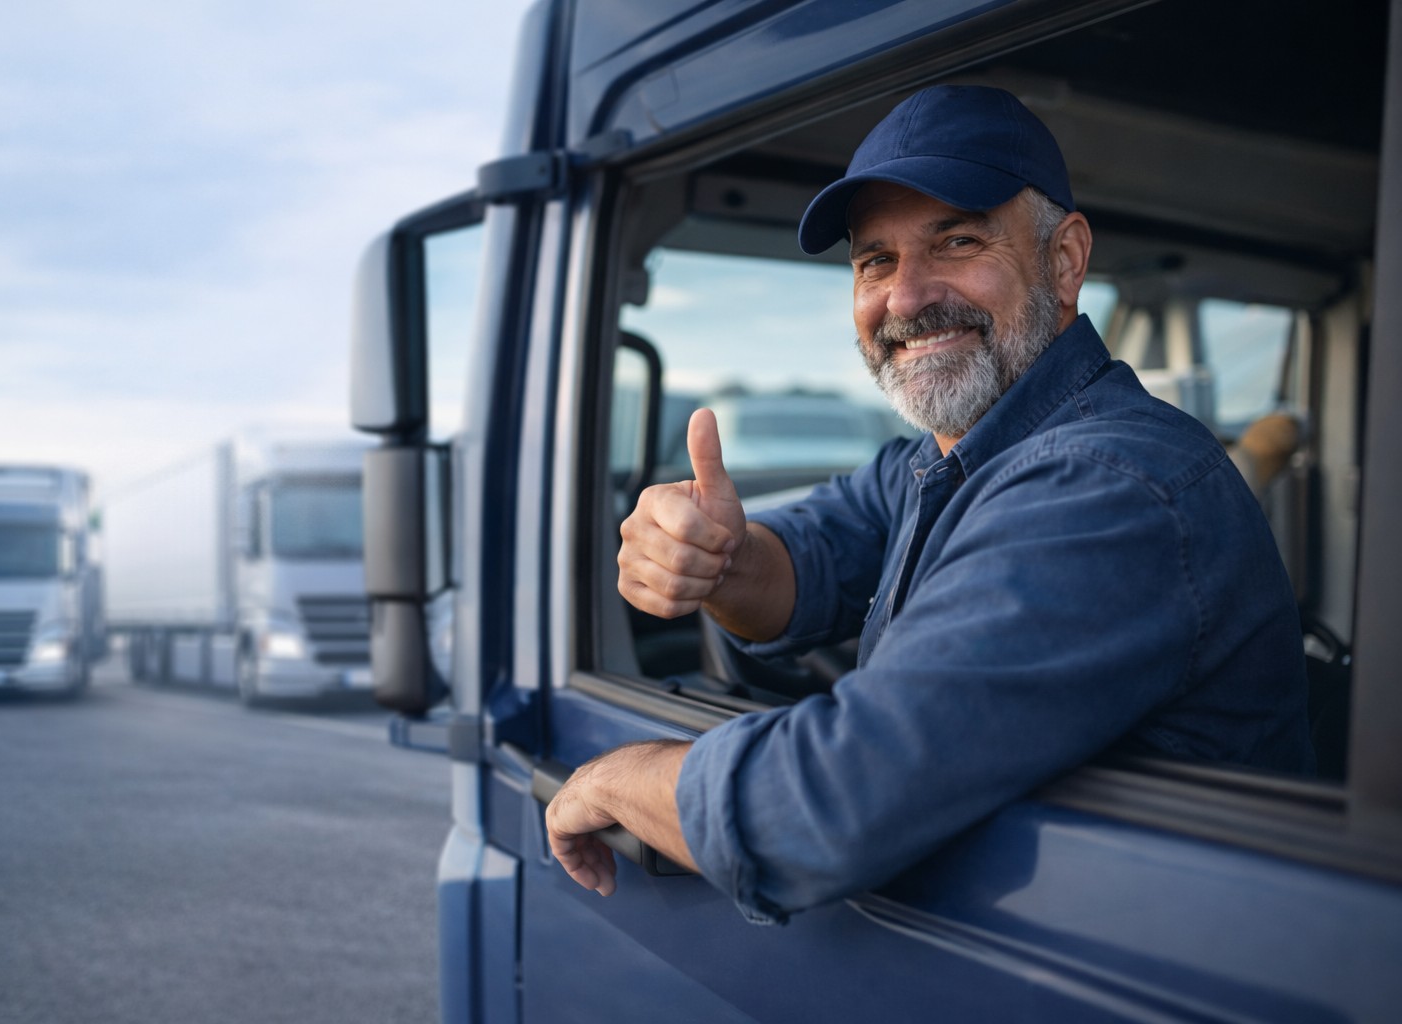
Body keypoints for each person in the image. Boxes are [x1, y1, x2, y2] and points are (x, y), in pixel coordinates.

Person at [545, 84, 1314, 924]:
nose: (906, 299)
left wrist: (616, 775)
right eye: (876, 261)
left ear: (1064, 260)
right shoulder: (953, 455)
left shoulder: (1108, 483)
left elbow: (828, 808)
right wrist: (718, 558)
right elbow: (814, 560)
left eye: (956, 240)